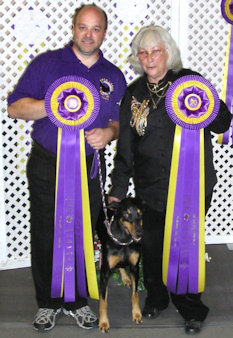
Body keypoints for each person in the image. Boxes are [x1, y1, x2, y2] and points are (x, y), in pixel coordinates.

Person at [7, 3, 126, 332]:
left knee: (83, 234)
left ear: (104, 32)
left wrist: (109, 132)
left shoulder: (112, 75)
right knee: (45, 233)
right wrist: (53, 104)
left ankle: (76, 302)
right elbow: (15, 107)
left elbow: (119, 122)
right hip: (48, 163)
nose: (89, 34)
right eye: (83, 27)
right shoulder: (46, 64)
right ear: (73, 28)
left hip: (88, 167)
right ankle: (47, 302)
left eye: (96, 28)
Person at [108, 25, 231, 334]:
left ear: (168, 52)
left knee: (185, 247)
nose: (149, 58)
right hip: (149, 189)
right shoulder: (133, 95)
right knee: (151, 246)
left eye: (156, 51)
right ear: (138, 57)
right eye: (143, 52)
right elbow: (125, 148)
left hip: (192, 186)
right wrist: (117, 191)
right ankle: (157, 297)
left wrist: (209, 106)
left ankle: (191, 307)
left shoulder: (191, 83)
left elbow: (223, 123)